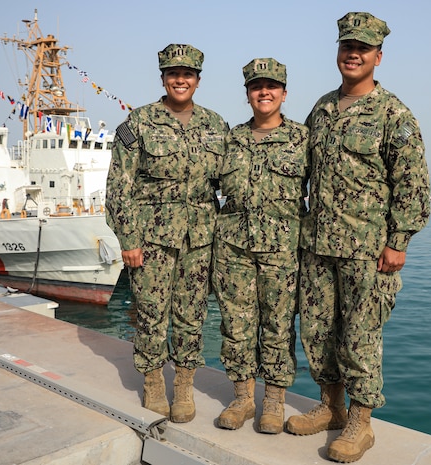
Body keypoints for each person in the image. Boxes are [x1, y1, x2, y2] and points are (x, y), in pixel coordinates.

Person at [285, 12, 430, 462]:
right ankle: (330, 408)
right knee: (318, 331)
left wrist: (398, 241)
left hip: (367, 250)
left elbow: (413, 183)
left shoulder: (394, 114)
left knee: (361, 336)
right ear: (338, 52)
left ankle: (361, 423)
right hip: (318, 244)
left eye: (363, 48)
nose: (353, 54)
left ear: (378, 57)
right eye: (347, 46)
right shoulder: (323, 108)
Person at [106, 43, 228, 423]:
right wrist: (128, 241)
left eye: (187, 74)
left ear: (197, 80)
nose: (180, 79)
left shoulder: (216, 125)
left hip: (200, 241)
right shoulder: (137, 123)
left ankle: (185, 385)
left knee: (192, 315)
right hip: (153, 239)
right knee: (151, 313)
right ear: (163, 78)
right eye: (173, 73)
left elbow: (229, 183)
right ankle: (155, 381)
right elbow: (118, 187)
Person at [212, 58, 308, 434]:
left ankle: (273, 401)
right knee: (236, 325)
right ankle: (242, 398)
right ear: (248, 94)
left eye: (271, 86)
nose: (263, 92)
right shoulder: (230, 140)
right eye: (256, 86)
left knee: (279, 326)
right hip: (233, 248)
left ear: (284, 93)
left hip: (282, 250)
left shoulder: (302, 139)